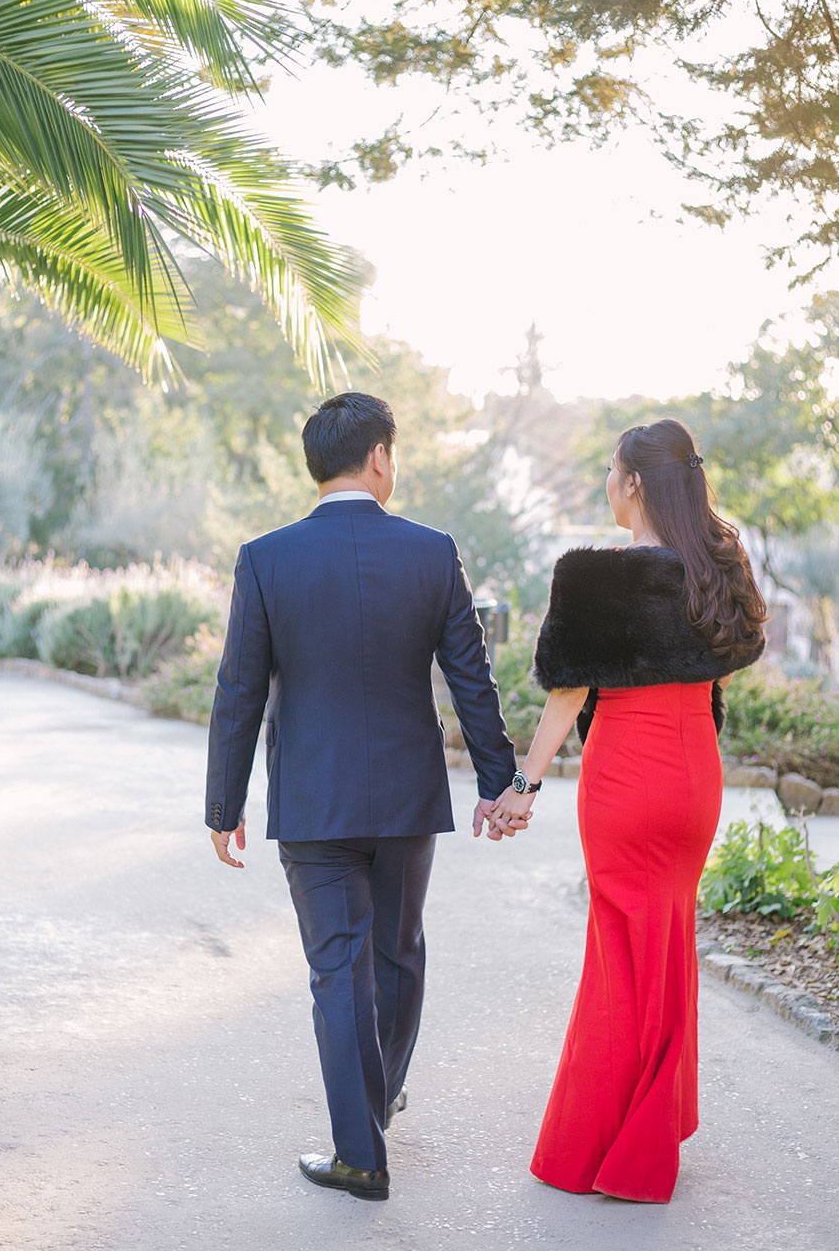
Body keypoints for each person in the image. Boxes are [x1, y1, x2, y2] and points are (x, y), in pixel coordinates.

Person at [205, 392, 518, 1201]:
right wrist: (496, 783)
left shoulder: (265, 557)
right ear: (378, 456)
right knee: (398, 952)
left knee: (337, 967)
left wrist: (223, 804)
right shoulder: (431, 551)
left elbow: (238, 689)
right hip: (407, 797)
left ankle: (359, 1150)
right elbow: (470, 678)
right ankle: (373, 1103)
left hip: (312, 799)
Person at [485, 418, 766, 1203]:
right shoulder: (717, 564)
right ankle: (651, 1126)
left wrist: (524, 787)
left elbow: (567, 692)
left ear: (634, 482)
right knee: (668, 940)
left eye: (611, 472)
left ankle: (603, 1147)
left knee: (617, 948)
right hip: (691, 775)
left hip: (626, 774)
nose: (606, 485)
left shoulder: (594, 577)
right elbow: (720, 669)